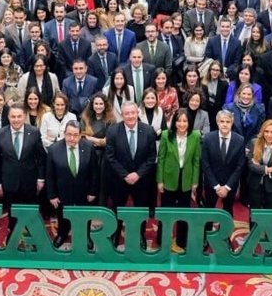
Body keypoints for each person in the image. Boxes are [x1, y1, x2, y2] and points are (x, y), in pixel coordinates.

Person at [104, 100, 158, 244]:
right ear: (122, 115)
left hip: (142, 179)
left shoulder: (148, 130)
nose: (130, 116)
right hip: (120, 179)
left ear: (137, 113)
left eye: (133, 113)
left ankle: (140, 235)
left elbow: (152, 157)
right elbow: (110, 157)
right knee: (117, 208)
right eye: (127, 113)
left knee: (141, 209)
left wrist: (138, 174)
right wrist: (125, 175)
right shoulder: (113, 131)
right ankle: (116, 234)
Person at [0, 103, 47, 235]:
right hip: (9, 182)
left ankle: (32, 233)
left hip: (30, 180)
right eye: (13, 117)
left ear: (24, 117)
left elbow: (41, 158)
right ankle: (13, 233)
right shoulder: (0, 133)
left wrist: (40, 178)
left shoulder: (33, 132)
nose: (16, 120)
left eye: (19, 116)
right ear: (8, 117)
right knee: (12, 211)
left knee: (30, 210)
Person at [46, 120, 98, 248]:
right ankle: (62, 234)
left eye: (75, 135)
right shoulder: (54, 149)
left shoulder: (89, 147)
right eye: (69, 134)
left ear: (81, 135)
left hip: (84, 191)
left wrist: (93, 191)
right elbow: (49, 175)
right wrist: (52, 195)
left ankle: (85, 236)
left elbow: (94, 172)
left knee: (84, 215)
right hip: (62, 192)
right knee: (62, 215)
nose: (72, 138)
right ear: (64, 133)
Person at [156, 109, 201, 251]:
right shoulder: (165, 136)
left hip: (186, 178)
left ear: (189, 123)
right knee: (166, 211)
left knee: (183, 212)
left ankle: (182, 241)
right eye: (179, 121)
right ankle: (162, 239)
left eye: (185, 121)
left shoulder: (195, 136)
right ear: (174, 122)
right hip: (168, 178)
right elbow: (161, 159)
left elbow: (196, 161)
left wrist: (195, 181)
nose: (182, 124)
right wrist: (160, 180)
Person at [201, 109, 246, 216]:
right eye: (222, 121)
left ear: (232, 123)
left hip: (230, 184)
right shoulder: (208, 138)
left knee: (228, 211)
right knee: (209, 211)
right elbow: (205, 163)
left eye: (227, 122)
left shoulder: (240, 140)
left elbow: (240, 166)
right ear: (217, 122)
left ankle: (226, 233)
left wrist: (227, 187)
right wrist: (216, 186)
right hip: (212, 183)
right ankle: (207, 232)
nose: (225, 124)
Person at [245, 119, 272, 217]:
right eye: (266, 131)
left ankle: (267, 233)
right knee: (254, 214)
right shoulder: (253, 143)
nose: (269, 135)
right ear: (262, 131)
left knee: (270, 215)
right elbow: (250, 165)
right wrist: (268, 170)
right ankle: (254, 232)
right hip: (255, 184)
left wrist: (259, 168)